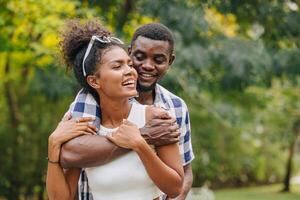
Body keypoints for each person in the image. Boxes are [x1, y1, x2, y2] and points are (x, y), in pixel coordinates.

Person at [46, 19, 184, 200]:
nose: (131, 71)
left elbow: (175, 188)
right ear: (94, 81)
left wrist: (139, 144)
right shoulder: (85, 128)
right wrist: (53, 145)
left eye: (128, 63)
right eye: (117, 66)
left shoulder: (155, 117)